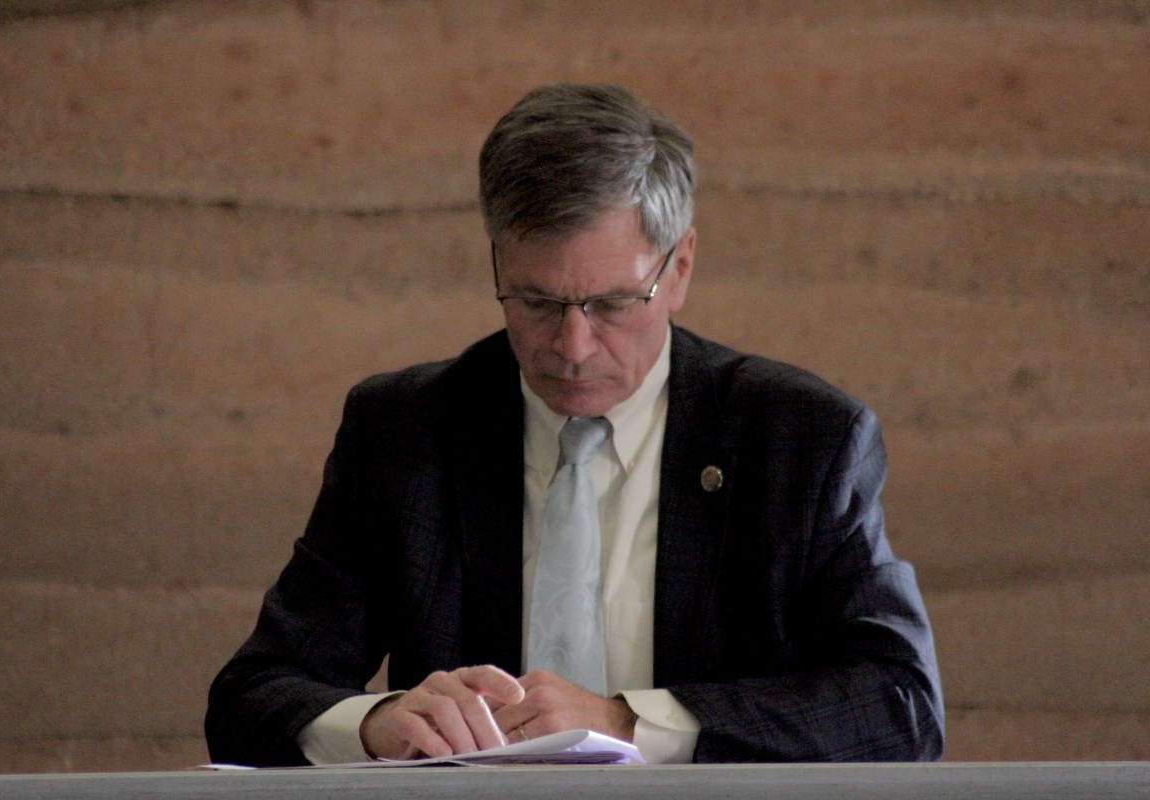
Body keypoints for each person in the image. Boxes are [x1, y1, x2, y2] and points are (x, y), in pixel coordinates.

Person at [205, 83, 944, 767]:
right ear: (496, 260)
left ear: (679, 268)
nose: (572, 345)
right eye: (534, 301)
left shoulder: (799, 440)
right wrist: (376, 722)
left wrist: (629, 723)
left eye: (613, 304)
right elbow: (251, 695)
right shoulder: (404, 432)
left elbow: (901, 707)